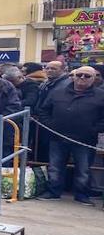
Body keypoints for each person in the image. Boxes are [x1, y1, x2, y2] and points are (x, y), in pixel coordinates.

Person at [36, 66, 104, 204]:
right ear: (73, 76)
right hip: (57, 137)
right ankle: (53, 192)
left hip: (84, 139)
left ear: (94, 78)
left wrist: (94, 129)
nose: (82, 78)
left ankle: (81, 195)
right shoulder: (57, 92)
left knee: (83, 169)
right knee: (55, 167)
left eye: (87, 76)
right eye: (79, 75)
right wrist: (51, 125)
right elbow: (43, 110)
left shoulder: (101, 95)